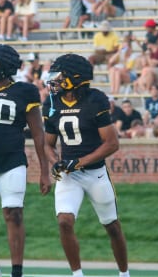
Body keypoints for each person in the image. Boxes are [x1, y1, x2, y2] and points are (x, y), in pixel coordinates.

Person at [43, 54, 130, 277]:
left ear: (74, 78)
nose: (55, 80)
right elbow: (48, 144)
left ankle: (124, 273)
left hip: (95, 174)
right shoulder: (52, 102)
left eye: (60, 76)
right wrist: (55, 162)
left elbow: (112, 144)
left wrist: (79, 162)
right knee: (64, 221)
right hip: (69, 175)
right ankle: (77, 274)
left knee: (111, 225)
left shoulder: (95, 100)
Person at [0, 44, 50, 277]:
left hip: (12, 160)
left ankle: (17, 271)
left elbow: (38, 133)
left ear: (6, 66)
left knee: (14, 213)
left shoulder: (25, 91)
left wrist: (44, 171)